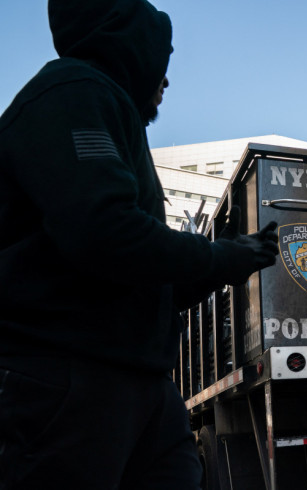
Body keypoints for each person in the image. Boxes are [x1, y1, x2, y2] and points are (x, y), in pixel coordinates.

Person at [0, 1, 279, 488]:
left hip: (140, 382)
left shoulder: (108, 111)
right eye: (161, 63)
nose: (166, 82)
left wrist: (226, 263)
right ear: (130, 48)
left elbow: (142, 278)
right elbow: (104, 234)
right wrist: (216, 256)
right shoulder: (72, 92)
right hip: (69, 377)